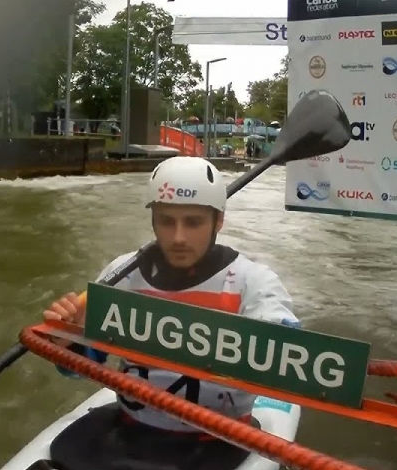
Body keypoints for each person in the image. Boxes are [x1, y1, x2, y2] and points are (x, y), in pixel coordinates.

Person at [41, 156, 301, 470]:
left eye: (193, 222)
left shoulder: (252, 281)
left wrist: (272, 339)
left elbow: (289, 351)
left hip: (215, 442)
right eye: (167, 221)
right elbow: (79, 367)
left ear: (218, 221)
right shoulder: (122, 273)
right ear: (153, 221)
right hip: (129, 430)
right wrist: (68, 343)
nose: (178, 237)